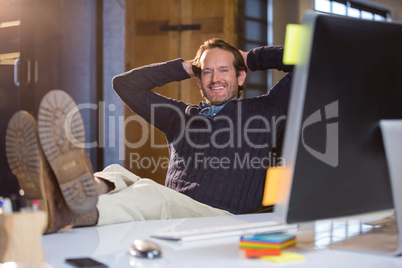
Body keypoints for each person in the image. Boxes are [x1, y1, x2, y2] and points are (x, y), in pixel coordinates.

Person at [5, 38, 293, 233]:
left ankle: (67, 211)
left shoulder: (266, 110)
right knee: (120, 174)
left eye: (224, 70)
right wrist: (184, 66)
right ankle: (65, 197)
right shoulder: (180, 116)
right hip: (174, 212)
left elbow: (311, 59)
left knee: (152, 194)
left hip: (222, 219)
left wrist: (252, 58)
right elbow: (125, 85)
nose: (215, 78)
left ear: (240, 77)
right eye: (206, 72)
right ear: (198, 80)